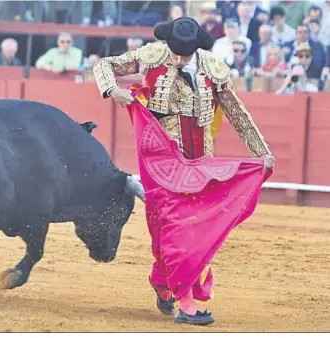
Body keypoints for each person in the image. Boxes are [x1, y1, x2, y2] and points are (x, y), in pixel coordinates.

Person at [93, 16, 275, 326]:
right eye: (174, 52)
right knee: (172, 225)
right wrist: (112, 90)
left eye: (183, 54)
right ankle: (186, 300)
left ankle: (164, 283)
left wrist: (262, 151)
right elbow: (104, 65)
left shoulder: (213, 68)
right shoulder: (152, 55)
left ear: (195, 50)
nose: (177, 59)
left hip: (200, 159)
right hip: (161, 159)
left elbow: (236, 112)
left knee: (192, 227)